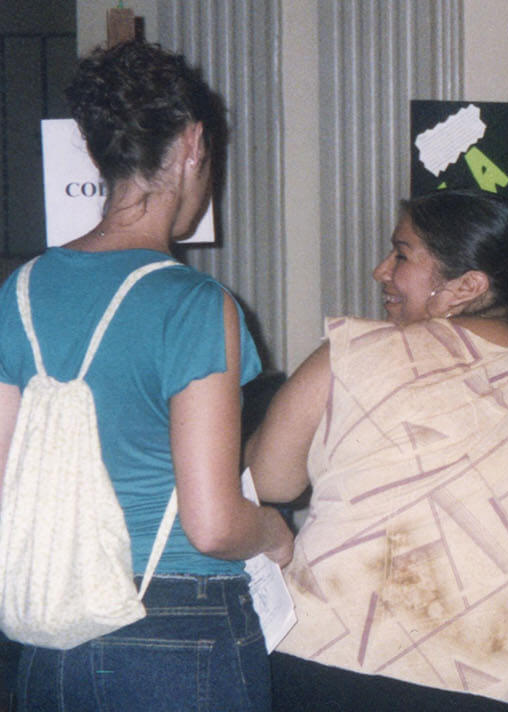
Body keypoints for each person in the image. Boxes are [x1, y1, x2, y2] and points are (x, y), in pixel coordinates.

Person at [245, 188, 508, 712]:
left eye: (402, 254)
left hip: (318, 661)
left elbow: (268, 480)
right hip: (488, 680)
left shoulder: (350, 351)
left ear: (468, 286)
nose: (381, 270)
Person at [0, 41, 292, 710]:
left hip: (52, 632)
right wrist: (274, 531)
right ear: (193, 144)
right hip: (176, 625)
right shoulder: (192, 304)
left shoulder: (19, 293)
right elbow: (213, 525)